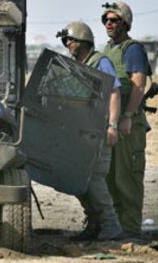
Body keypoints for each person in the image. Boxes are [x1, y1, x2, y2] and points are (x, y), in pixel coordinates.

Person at [56, 21, 123, 241]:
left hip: (99, 130)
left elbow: (114, 93)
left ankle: (111, 225)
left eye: (72, 40)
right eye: (66, 41)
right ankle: (94, 224)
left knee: (95, 179)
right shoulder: (76, 64)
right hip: (82, 132)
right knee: (79, 180)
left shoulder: (100, 62)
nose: (68, 44)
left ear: (84, 41)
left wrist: (112, 125)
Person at [101, 1, 151, 238]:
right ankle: (114, 227)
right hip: (111, 122)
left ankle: (130, 230)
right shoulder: (108, 49)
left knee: (127, 177)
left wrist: (128, 116)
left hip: (128, 123)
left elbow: (139, 85)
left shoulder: (132, 49)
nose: (109, 24)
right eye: (106, 20)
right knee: (109, 176)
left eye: (114, 20)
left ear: (125, 23)